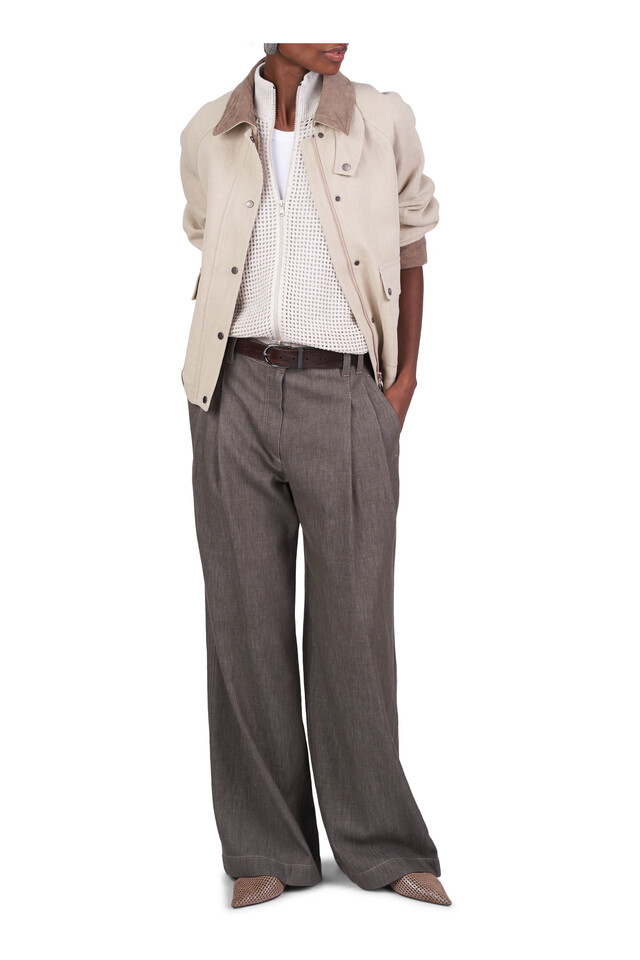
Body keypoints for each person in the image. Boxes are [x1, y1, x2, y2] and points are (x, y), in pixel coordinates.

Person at [179, 42, 451, 909]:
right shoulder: (209, 131)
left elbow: (410, 244)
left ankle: (383, 843)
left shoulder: (382, 118)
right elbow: (206, 239)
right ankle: (265, 847)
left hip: (346, 392)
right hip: (232, 392)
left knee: (355, 628)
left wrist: (402, 386)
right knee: (243, 623)